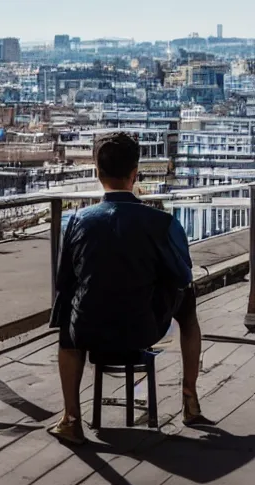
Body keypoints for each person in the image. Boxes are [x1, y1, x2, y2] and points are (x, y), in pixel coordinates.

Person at [48, 132, 211, 445]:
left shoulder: (79, 221)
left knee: (69, 306)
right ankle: (190, 400)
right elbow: (181, 273)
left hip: (87, 330)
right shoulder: (161, 222)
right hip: (143, 328)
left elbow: (63, 281)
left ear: (98, 173)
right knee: (187, 302)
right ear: (134, 174)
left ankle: (70, 418)